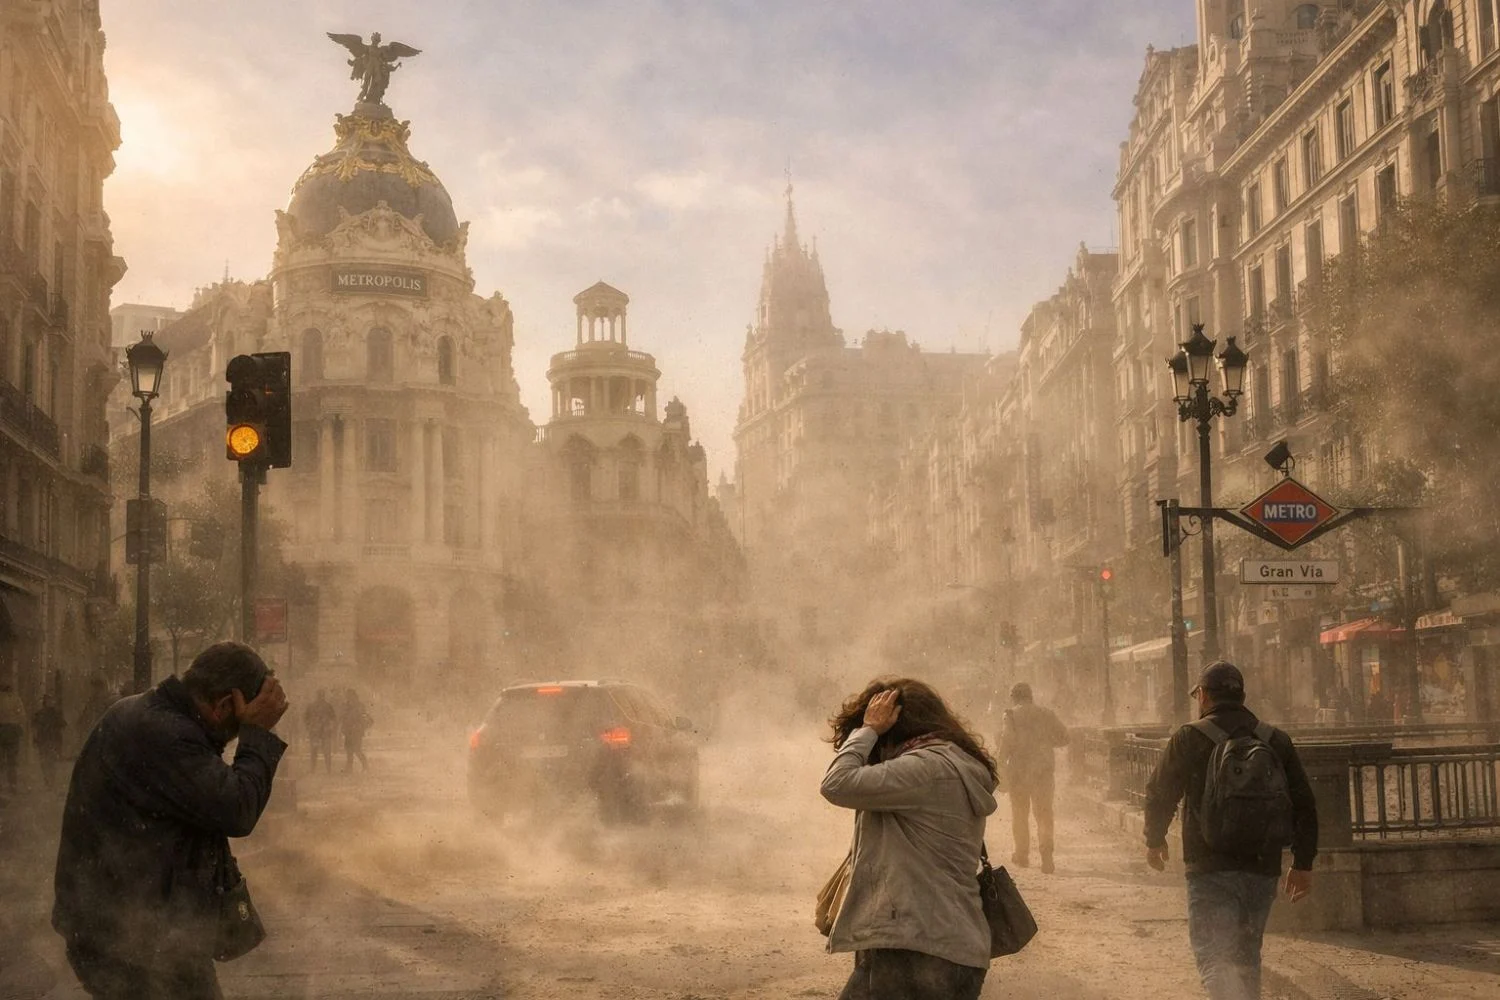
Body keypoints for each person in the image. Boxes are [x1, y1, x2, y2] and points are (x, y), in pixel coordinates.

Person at [52, 641, 289, 1000]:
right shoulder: (167, 733)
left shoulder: (145, 713)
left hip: (123, 928)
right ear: (225, 704)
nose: (230, 741)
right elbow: (237, 809)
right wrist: (257, 736)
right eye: (236, 727)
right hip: (133, 939)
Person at [1144, 661, 1319, 1000]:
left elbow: (1160, 793)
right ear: (1242, 697)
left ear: (1204, 695)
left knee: (1214, 957)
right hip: (1262, 869)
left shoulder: (1189, 738)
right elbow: (1304, 804)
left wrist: (1154, 840)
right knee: (1246, 958)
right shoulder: (1275, 740)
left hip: (1208, 868)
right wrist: (1303, 863)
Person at [821, 677, 999, 1000]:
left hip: (913, 946)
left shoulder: (923, 769)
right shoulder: (957, 765)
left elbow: (837, 783)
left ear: (896, 728)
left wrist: (868, 730)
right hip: (957, 950)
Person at [996, 681, 1070, 873]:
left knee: (1020, 814)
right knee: (1044, 814)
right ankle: (1047, 855)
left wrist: (1000, 766)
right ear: (1030, 695)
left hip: (1019, 772)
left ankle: (1022, 855)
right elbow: (1064, 737)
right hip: (1043, 771)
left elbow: (1006, 743)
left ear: (1014, 697)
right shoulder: (1046, 713)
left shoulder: (1010, 715)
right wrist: (1046, 744)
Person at [31, 692, 67, 789]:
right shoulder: (50, 713)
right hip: (47, 738)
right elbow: (63, 725)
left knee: (49, 760)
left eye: (51, 700)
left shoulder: (50, 713)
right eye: (49, 700)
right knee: (47, 760)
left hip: (50, 739)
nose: (50, 702)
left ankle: (50, 780)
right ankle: (49, 780)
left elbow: (63, 724)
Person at [75, 674, 114, 754]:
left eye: (96, 688)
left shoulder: (107, 701)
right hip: (92, 733)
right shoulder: (92, 701)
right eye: (94, 688)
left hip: (101, 734)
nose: (94, 691)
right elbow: (85, 717)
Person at [0, 680, 25, 795]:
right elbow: (22, 716)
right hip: (12, 731)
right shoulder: (16, 699)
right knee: (12, 761)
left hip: (1, 729)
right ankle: (12, 785)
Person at [304, 688, 337, 773]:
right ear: (317, 696)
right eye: (319, 695)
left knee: (326, 751)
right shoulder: (311, 706)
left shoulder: (328, 706)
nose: (320, 697)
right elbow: (306, 718)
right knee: (314, 750)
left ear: (323, 696)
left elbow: (333, 717)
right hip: (315, 732)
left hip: (324, 732)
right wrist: (309, 726)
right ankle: (313, 769)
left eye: (322, 695)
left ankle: (328, 769)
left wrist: (330, 726)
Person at [340, 687, 372, 772]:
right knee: (349, 750)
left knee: (357, 749)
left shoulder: (359, 705)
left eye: (349, 695)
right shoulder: (346, 705)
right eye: (347, 695)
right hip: (348, 731)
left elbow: (363, 717)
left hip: (357, 731)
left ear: (354, 695)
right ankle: (349, 768)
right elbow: (343, 717)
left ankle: (365, 766)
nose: (348, 697)